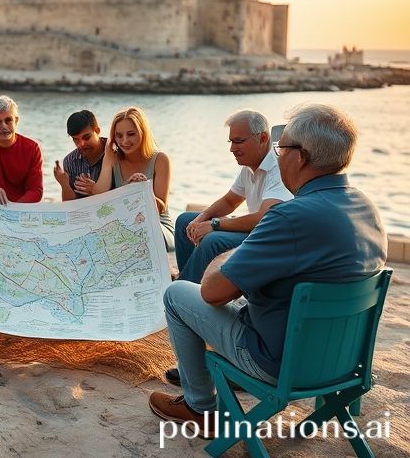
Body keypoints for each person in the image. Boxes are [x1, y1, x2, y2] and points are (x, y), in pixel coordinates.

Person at [148, 104, 387, 437]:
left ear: (300, 157)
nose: (277, 157)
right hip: (342, 362)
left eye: (281, 148)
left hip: (280, 364)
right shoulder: (367, 208)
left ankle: (199, 408)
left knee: (177, 293)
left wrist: (230, 253)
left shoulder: (289, 217)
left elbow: (211, 292)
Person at [174, 110, 293, 284]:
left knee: (212, 240)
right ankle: (188, 285)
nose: (232, 149)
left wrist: (214, 224)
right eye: (231, 142)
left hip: (267, 237)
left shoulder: (278, 166)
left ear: (263, 138)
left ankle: (181, 295)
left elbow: (264, 218)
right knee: (185, 221)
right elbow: (230, 200)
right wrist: (202, 217)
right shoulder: (250, 165)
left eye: (239, 141)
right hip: (255, 231)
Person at [94, 106, 175, 251]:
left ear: (142, 132)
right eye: (118, 135)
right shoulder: (114, 159)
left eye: (131, 134)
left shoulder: (160, 159)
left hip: (157, 225)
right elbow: (100, 199)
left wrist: (143, 190)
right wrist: (107, 160)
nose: (124, 141)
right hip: (126, 224)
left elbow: (161, 208)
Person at [53, 110, 107, 200]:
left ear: (97, 131)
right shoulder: (70, 161)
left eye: (87, 137)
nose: (81, 144)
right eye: (76, 139)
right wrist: (64, 184)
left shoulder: (115, 151)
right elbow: (69, 205)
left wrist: (96, 190)